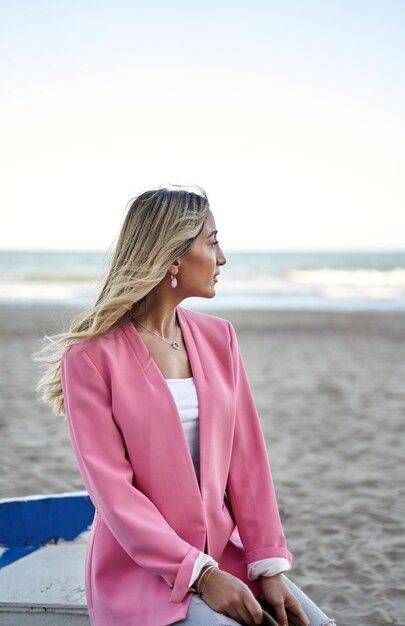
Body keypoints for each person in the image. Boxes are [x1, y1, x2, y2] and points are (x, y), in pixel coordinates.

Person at [36, 186, 335, 626]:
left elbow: (247, 460)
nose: (222, 257)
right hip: (141, 572)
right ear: (172, 257)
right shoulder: (89, 359)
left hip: (225, 560)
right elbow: (114, 494)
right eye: (212, 242)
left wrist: (267, 564)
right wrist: (200, 574)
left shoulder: (221, 338)